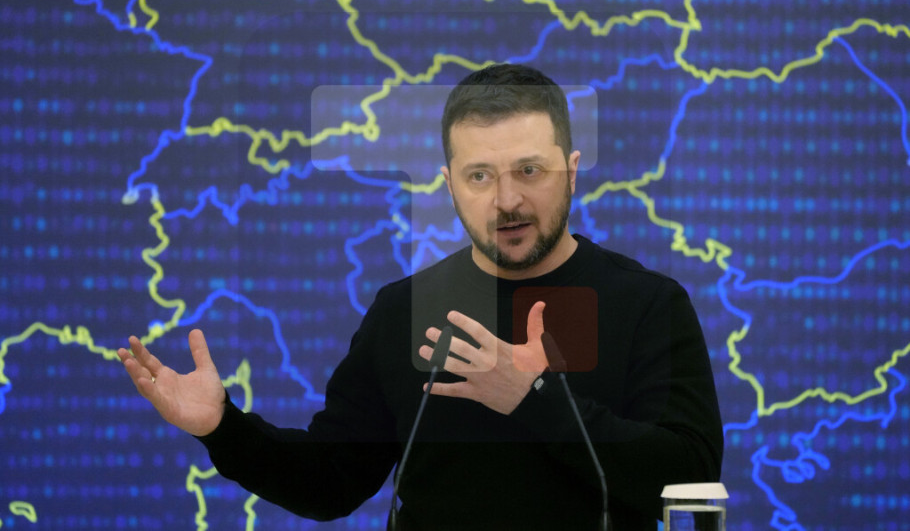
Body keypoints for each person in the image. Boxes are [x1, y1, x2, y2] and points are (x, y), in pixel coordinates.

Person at [119, 64, 723, 530]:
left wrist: (534, 397)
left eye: (529, 170)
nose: (507, 199)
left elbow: (690, 476)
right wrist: (221, 427)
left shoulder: (647, 303)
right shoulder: (403, 311)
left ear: (571, 168)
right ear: (449, 185)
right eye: (480, 176)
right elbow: (331, 481)